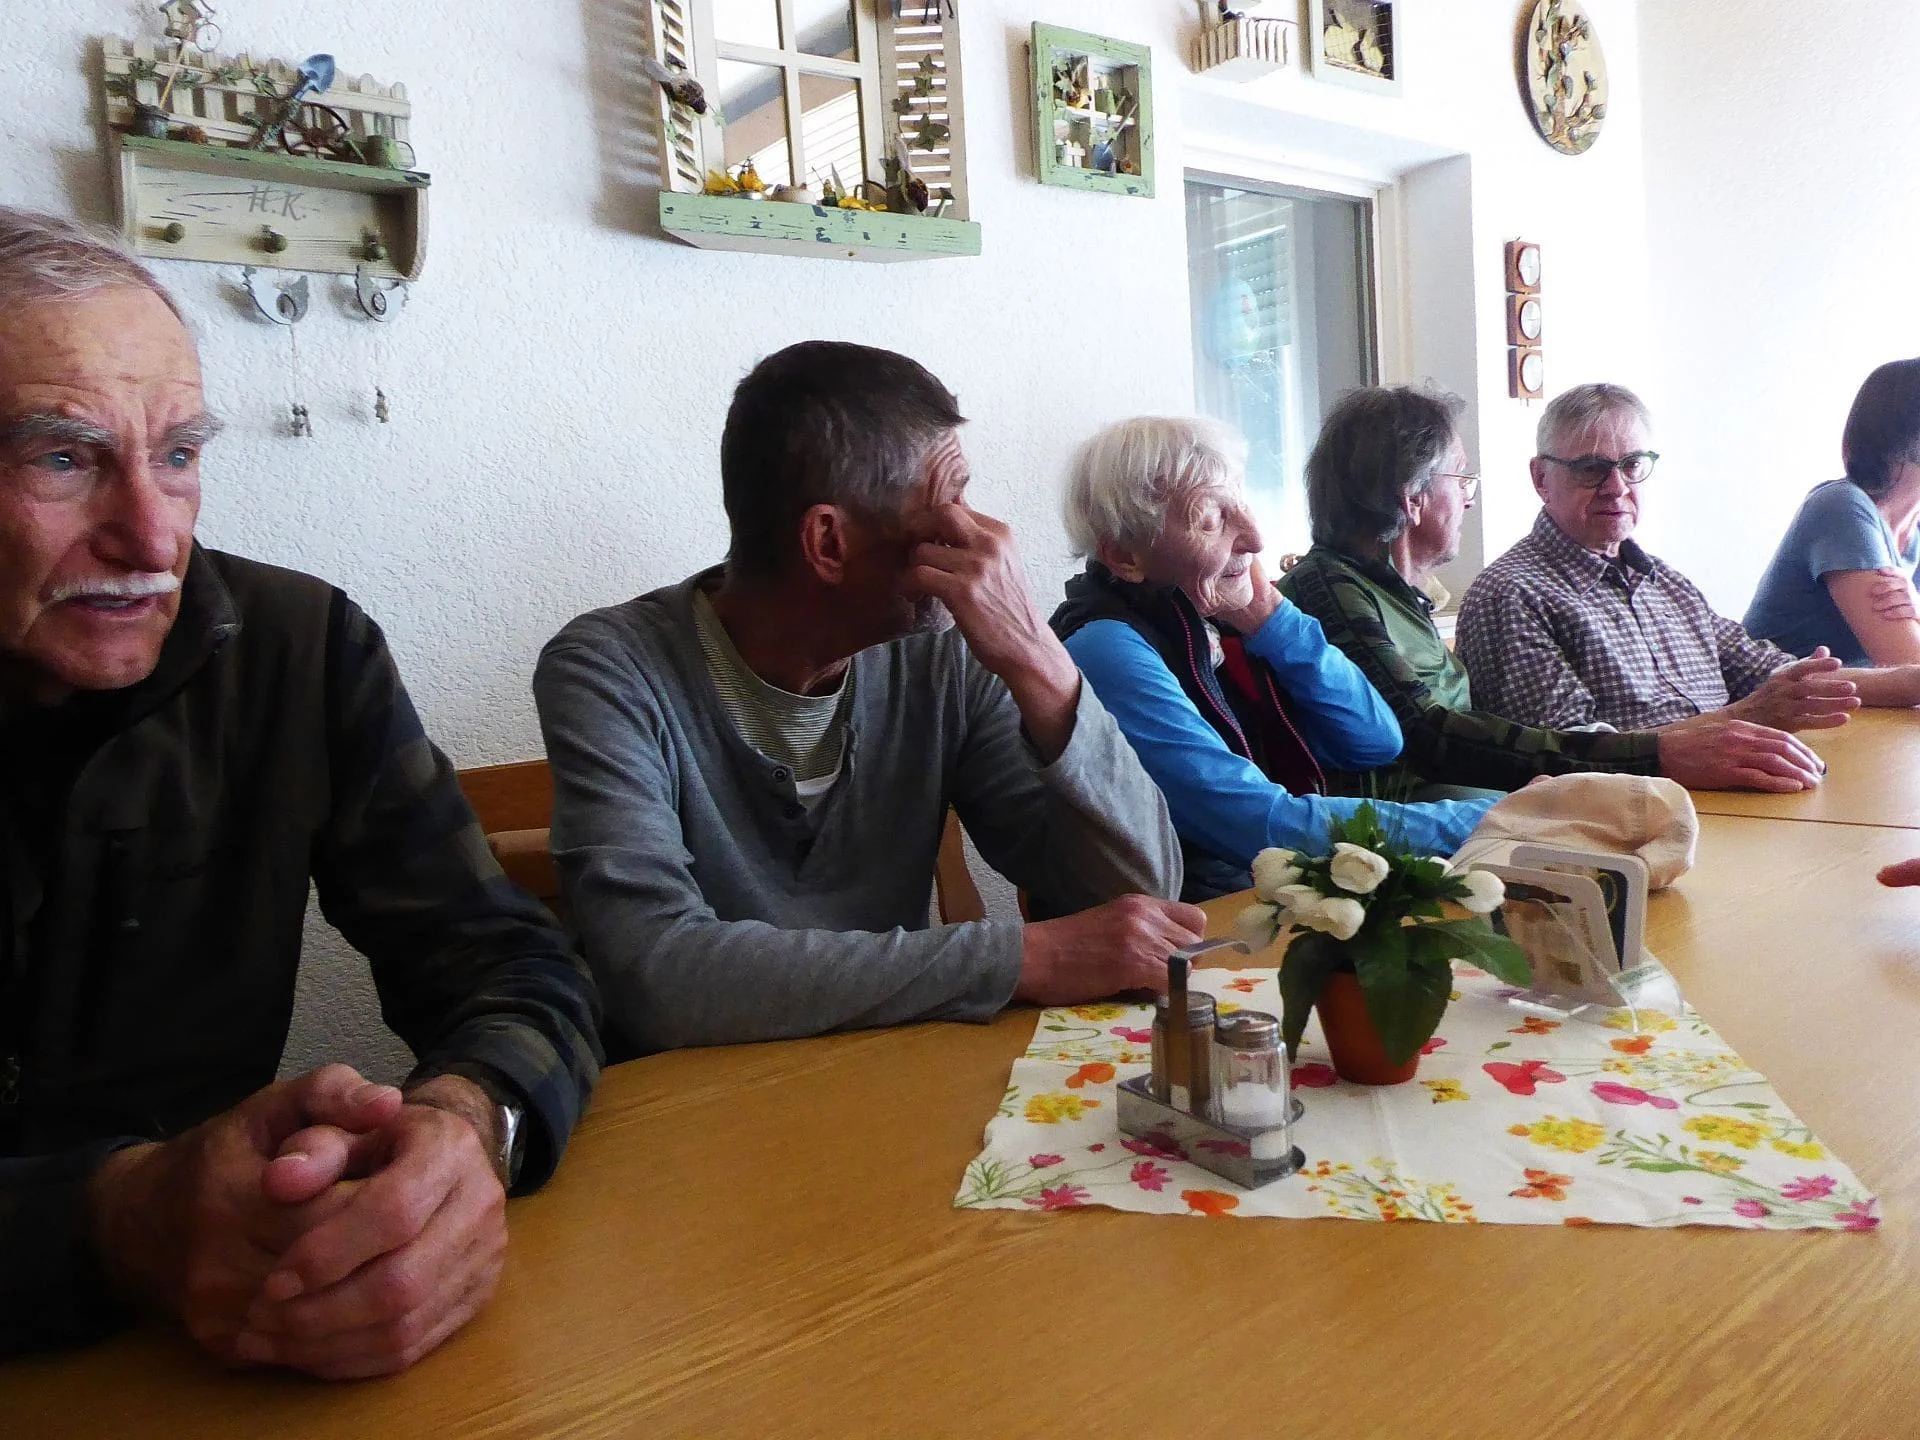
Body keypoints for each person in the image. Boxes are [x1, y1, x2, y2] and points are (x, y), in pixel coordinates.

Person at [0, 209, 601, 1373]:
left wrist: (467, 1123)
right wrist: (114, 1217)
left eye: (179, 455)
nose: (151, 535)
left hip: (229, 1356)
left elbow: (511, 965)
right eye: (63, 457)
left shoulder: (297, 648)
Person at [534, 341, 1193, 1056]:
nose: (986, 537)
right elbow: (655, 978)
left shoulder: (941, 653)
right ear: (829, 542)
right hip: (689, 1116)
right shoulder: (609, 669)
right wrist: (1025, 958)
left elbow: (1140, 893)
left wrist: (1039, 658)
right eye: (951, 500)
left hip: (886, 1079)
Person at [1277, 385, 1827, 795]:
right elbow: (1432, 736)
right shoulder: (1333, 589)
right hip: (1424, 854)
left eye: (1633, 465)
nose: (1469, 500)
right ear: (1411, 497)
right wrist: (1669, 749)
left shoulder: (1392, 593)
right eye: (1461, 479)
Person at [1049, 416, 1494, 901]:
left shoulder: (1209, 620)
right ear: (1124, 558)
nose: (1255, 539)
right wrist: (1492, 818)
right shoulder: (1106, 649)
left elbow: (1375, 740)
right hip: (1179, 933)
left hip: (1250, 901)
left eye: (1243, 504)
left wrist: (1274, 620)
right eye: (1211, 519)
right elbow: (1257, 825)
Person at [1457, 382, 1920, 731]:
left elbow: (1776, 674)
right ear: (1541, 479)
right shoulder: (1513, 595)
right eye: (1592, 469)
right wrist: (1741, 718)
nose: (1617, 488)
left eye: (1633, 466)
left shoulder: (1666, 583)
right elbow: (1566, 754)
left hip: (1731, 796)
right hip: (1633, 828)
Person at [1746, 359, 1920, 665]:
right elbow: (1908, 667)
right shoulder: (1842, 508)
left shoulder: (1913, 530)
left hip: (1866, 708)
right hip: (1782, 708)